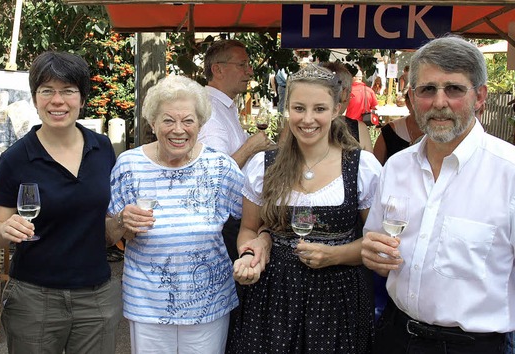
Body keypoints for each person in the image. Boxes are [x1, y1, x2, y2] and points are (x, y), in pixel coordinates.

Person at [361, 35, 515, 354]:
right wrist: (373, 254)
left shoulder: (509, 172)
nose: (439, 102)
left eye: (454, 89)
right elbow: (376, 249)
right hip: (394, 336)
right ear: (413, 98)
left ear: (481, 97)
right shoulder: (396, 167)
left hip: (473, 347)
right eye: (428, 89)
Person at [228, 63, 382, 353]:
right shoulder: (264, 166)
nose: (307, 119)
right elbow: (249, 228)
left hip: (340, 300)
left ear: (337, 109)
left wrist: (334, 255)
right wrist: (250, 255)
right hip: (274, 298)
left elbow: (377, 243)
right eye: (299, 108)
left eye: (319, 109)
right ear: (287, 109)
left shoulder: (362, 167)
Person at [0, 51, 122, 354]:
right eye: (47, 91)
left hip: (96, 296)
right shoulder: (16, 158)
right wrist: (5, 229)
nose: (57, 101)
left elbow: (107, 224)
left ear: (82, 98)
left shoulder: (102, 149)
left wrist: (124, 221)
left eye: (68, 91)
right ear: (35, 98)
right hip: (35, 298)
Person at [106, 74, 245, 353]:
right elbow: (108, 236)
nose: (178, 130)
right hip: (147, 303)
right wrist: (122, 221)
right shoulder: (128, 165)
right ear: (153, 123)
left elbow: (252, 222)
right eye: (168, 120)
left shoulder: (222, 167)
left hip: (209, 302)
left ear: (201, 124)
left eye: (188, 121)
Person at [198, 39, 271, 261]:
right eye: (242, 65)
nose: (249, 71)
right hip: (223, 222)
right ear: (217, 69)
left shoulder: (223, 105)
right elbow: (214, 173)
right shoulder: (209, 109)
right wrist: (250, 147)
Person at [322, 61, 374, 152]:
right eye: (350, 94)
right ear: (344, 94)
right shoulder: (359, 129)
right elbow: (369, 163)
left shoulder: (302, 124)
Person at [373, 87, 423, 165]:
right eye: (415, 102)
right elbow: (375, 167)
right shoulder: (389, 132)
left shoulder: (439, 131)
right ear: (407, 103)